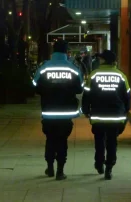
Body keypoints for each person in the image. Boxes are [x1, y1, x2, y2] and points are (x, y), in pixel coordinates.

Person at [32, 40, 84, 180]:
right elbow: (80, 88)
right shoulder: (73, 68)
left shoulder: (44, 67)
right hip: (66, 114)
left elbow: (35, 86)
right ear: (66, 52)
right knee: (62, 141)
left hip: (49, 112)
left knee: (50, 140)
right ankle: (60, 171)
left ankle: (50, 168)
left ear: (53, 51)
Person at [81, 50, 131, 180]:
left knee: (99, 140)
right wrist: (125, 112)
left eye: (101, 58)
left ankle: (99, 163)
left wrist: (85, 110)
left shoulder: (94, 75)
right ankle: (109, 167)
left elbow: (86, 95)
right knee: (112, 142)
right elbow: (127, 97)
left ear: (104, 60)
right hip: (116, 116)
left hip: (98, 115)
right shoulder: (121, 76)